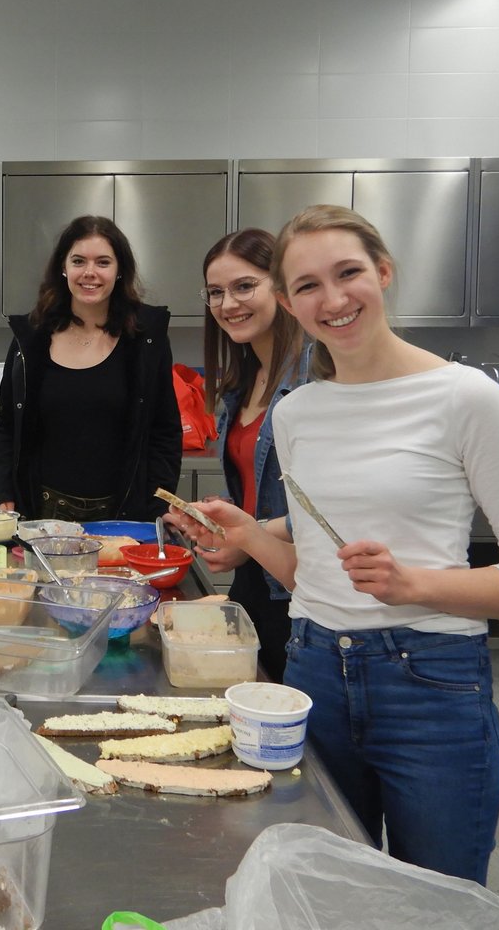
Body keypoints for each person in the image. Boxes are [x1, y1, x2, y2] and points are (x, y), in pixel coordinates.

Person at [169, 205, 499, 884]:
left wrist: (417, 584)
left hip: (431, 683)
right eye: (307, 285)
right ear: (289, 302)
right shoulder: (297, 413)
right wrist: (248, 534)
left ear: (383, 272)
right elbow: (311, 575)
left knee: (435, 901)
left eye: (348, 273)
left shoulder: (465, 398)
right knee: (329, 892)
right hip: (313, 671)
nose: (332, 300)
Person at [0, 215, 181, 522]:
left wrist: (160, 504)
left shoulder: (145, 338)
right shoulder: (32, 336)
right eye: (78, 261)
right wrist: (5, 495)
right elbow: (6, 426)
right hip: (45, 514)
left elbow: (164, 431)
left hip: (123, 515)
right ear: (63, 268)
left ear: (119, 270)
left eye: (103, 262)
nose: (90, 273)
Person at [190, 229, 311, 681]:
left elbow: (330, 514)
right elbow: (257, 494)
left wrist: (246, 535)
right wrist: (217, 520)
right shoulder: (243, 381)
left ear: (281, 286)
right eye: (215, 292)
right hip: (256, 585)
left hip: (301, 594)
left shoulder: (316, 378)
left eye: (244, 286)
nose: (228, 304)